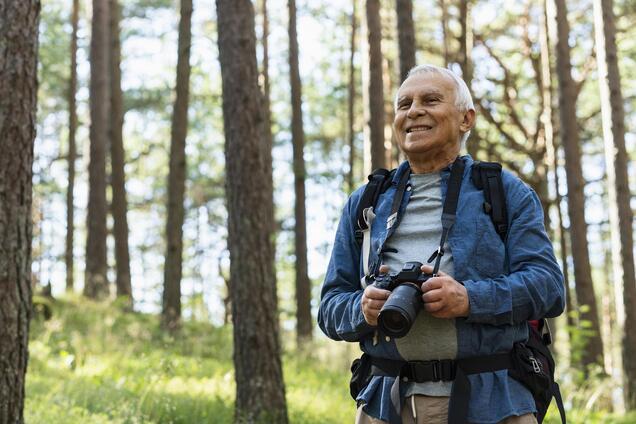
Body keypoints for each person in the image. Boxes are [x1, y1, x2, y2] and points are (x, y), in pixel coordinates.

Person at [317, 64, 565, 424]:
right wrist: (363, 309)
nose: (414, 111)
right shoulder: (368, 201)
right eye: (404, 104)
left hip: (494, 403)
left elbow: (549, 287)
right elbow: (329, 307)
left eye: (430, 100)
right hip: (386, 405)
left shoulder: (505, 193)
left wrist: (468, 299)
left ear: (466, 119)